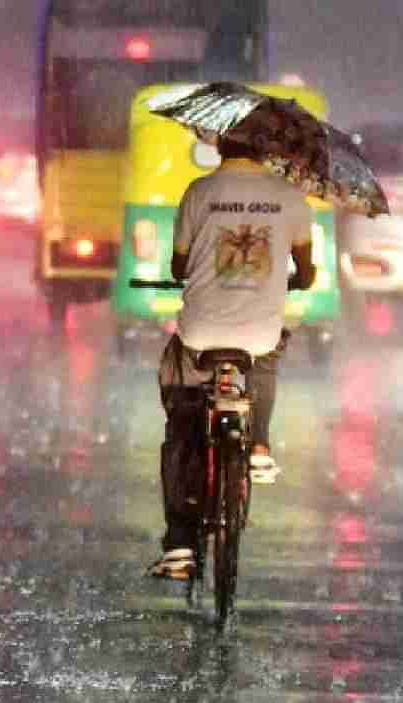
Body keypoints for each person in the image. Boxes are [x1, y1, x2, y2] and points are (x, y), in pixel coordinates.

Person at [148, 136, 316, 580]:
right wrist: (295, 276)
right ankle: (259, 443)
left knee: (180, 423)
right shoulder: (289, 195)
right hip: (257, 334)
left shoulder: (199, 192)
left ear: (219, 142)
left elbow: (179, 268)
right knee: (267, 350)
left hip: (201, 332)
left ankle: (180, 544)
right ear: (267, 149)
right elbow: (308, 268)